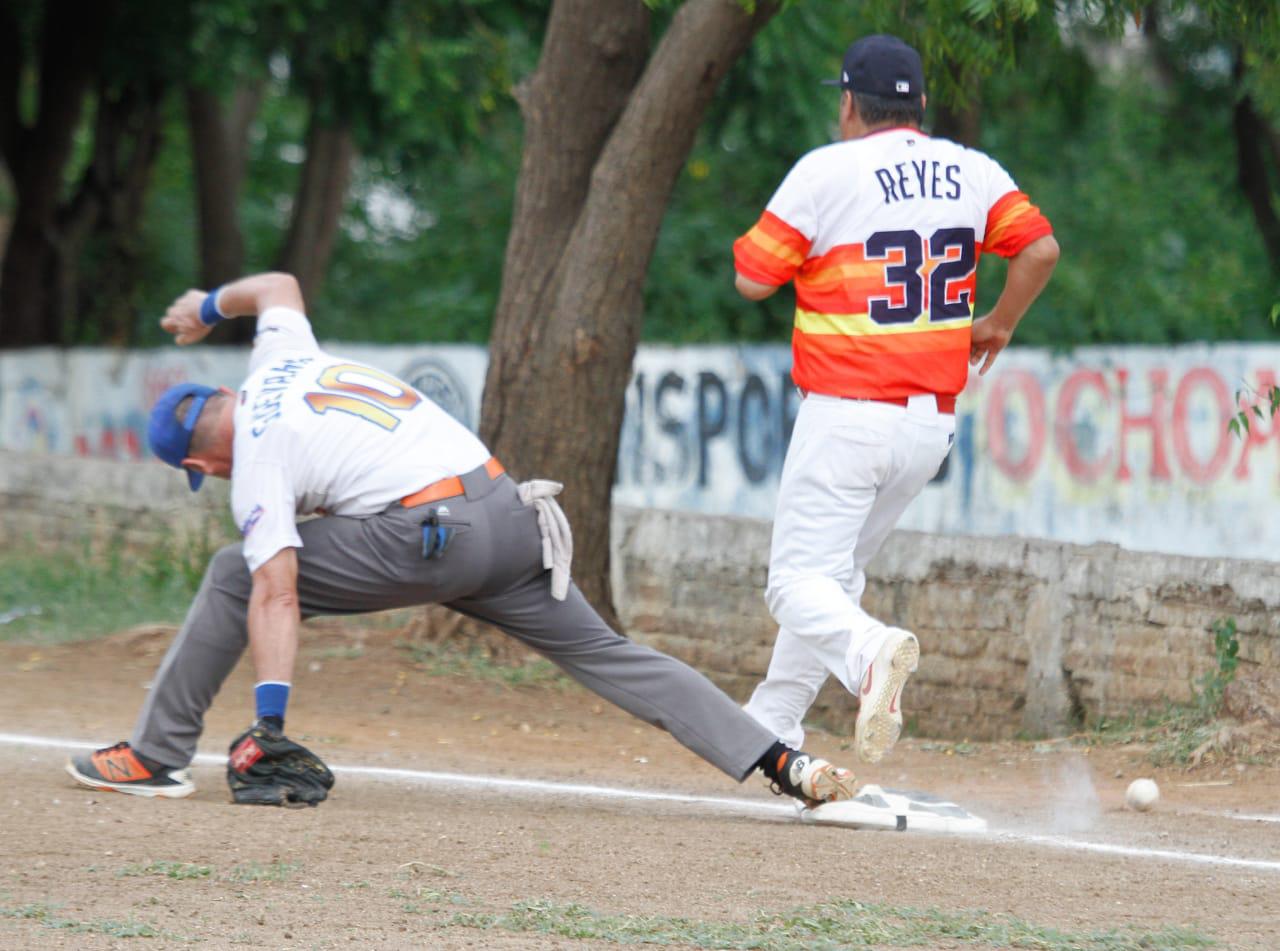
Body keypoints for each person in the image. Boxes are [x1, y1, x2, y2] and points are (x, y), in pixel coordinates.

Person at [66, 271, 858, 808]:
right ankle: (783, 759)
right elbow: (277, 286)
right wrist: (208, 307)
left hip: (431, 535)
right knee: (611, 655)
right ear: (224, 391)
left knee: (234, 570)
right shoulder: (281, 355)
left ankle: (155, 755)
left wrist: (269, 721)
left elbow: (274, 592)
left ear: (200, 462)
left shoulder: (253, 464)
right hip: (507, 512)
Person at [732, 35, 1059, 762]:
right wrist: (1000, 322)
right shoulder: (972, 170)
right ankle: (773, 722)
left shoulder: (828, 170)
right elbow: (1040, 249)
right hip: (927, 427)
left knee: (794, 584)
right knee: (834, 578)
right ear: (919, 106)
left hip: (848, 413)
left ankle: (869, 652)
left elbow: (752, 279)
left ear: (850, 103)